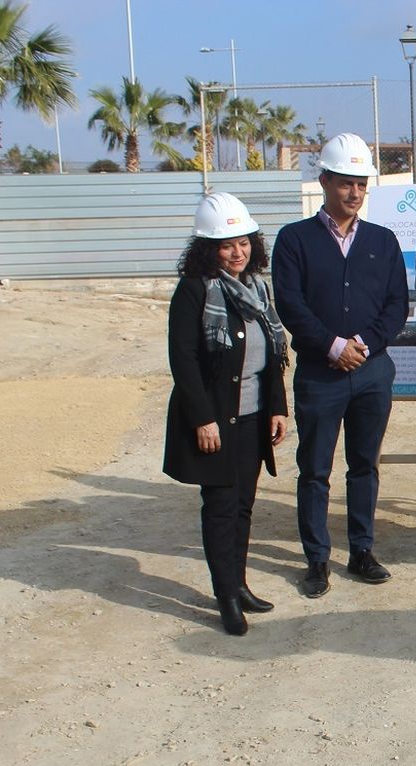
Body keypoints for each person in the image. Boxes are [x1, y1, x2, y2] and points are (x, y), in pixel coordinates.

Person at [272, 132, 409, 598]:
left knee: (364, 465)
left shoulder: (383, 241)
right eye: (346, 182)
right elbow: (290, 305)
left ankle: (362, 550)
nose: (354, 192)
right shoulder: (294, 240)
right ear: (325, 179)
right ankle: (316, 559)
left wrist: (364, 345)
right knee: (314, 468)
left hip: (371, 373)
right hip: (319, 374)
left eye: (361, 184)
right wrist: (332, 346)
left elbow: (395, 306)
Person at [163, 192, 290, 636]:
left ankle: (239, 583)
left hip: (253, 419)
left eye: (244, 242)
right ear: (207, 249)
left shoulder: (257, 288)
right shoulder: (195, 291)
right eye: (226, 245)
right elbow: (184, 359)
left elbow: (272, 355)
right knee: (220, 507)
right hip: (217, 421)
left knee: (243, 507)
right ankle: (226, 598)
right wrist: (202, 418)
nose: (238, 252)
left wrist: (277, 407)